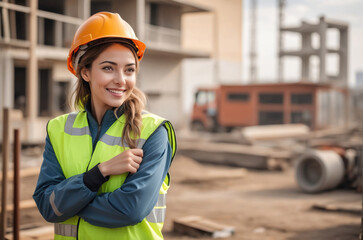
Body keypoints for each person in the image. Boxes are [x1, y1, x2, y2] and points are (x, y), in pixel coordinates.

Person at [33, 12, 176, 240]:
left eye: (129, 70)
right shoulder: (58, 129)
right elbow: (46, 205)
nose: (121, 79)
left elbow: (130, 210)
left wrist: (68, 204)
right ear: (85, 72)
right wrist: (99, 173)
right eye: (108, 68)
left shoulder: (153, 131)